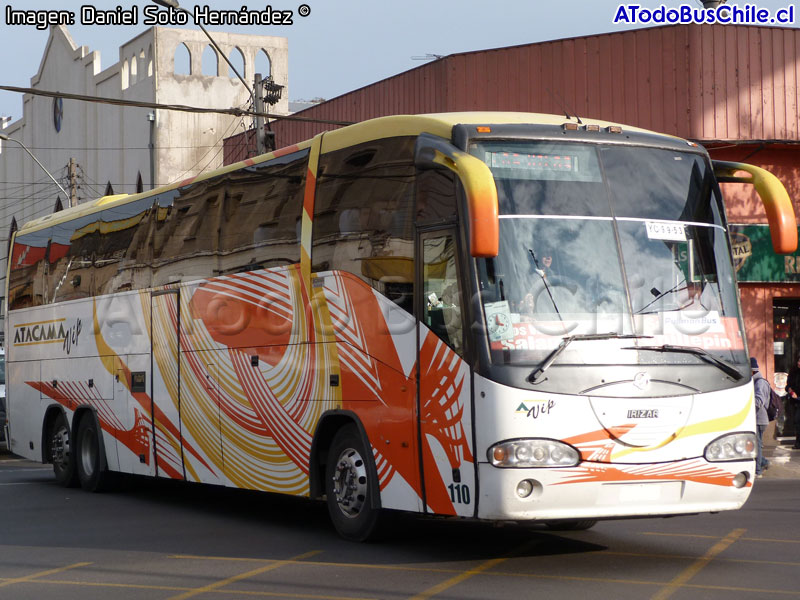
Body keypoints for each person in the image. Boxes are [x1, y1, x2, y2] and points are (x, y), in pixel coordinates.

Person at [751, 357, 771, 477]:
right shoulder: (754, 381)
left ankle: (758, 471)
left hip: (760, 419)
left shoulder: (760, 382)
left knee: (757, 445)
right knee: (754, 445)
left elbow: (758, 402)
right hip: (756, 419)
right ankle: (764, 462)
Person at [785, 354, 800, 449]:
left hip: (798, 400)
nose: (799, 363)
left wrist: (798, 397)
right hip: (794, 402)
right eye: (798, 361)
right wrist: (789, 390)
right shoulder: (794, 372)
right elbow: (787, 385)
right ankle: (798, 442)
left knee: (798, 420)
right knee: (796, 422)